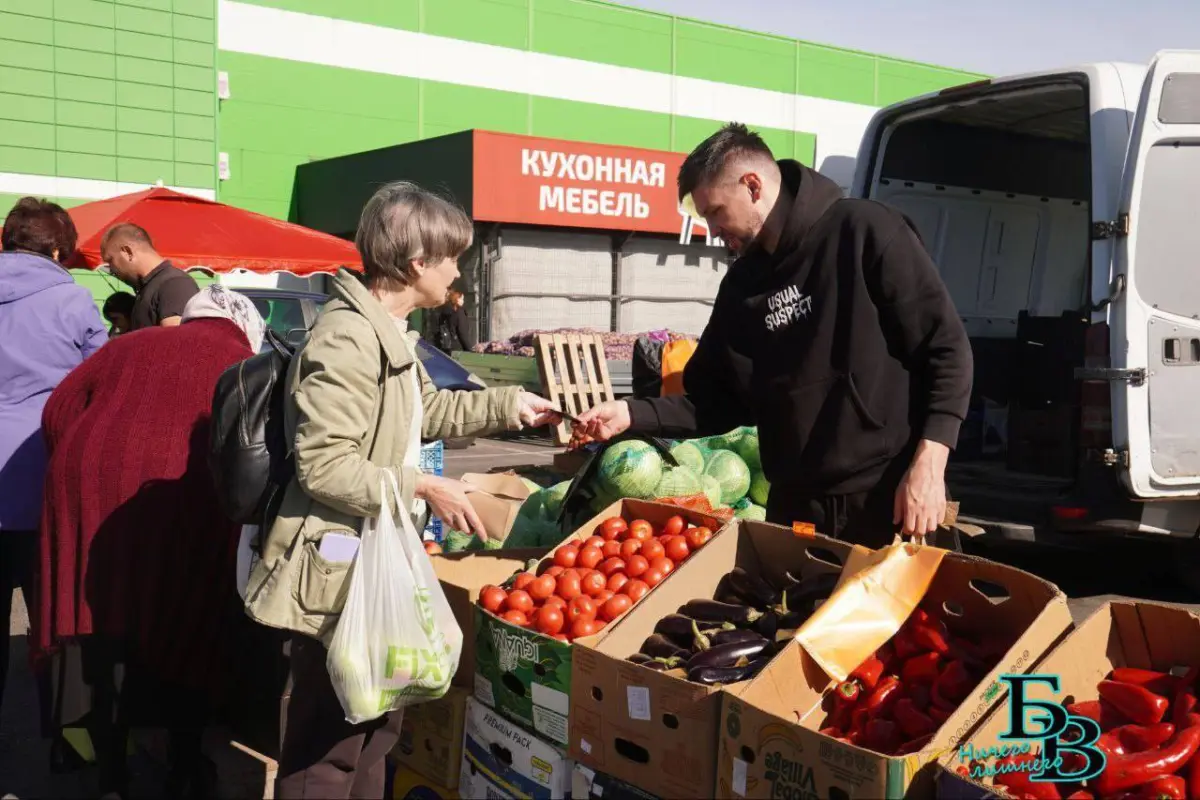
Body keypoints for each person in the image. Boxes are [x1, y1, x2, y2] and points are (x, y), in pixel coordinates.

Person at [243, 181, 560, 798]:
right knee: (327, 746)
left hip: (373, 558)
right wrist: (422, 486)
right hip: (337, 570)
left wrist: (512, 404)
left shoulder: (389, 333)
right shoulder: (347, 338)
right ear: (418, 264)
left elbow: (426, 411)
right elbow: (325, 465)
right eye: (452, 258)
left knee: (376, 732)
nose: (458, 270)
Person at [577, 124, 972, 545]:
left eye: (714, 212)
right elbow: (714, 403)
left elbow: (946, 349)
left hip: (886, 499)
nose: (712, 230)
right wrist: (631, 413)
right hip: (797, 511)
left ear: (752, 185)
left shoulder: (864, 231)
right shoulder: (741, 287)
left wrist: (930, 464)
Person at [36, 286, 266, 798]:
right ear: (245, 329)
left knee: (101, 616)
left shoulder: (128, 343)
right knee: (189, 615)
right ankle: (184, 763)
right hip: (188, 492)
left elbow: (57, 410)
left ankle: (110, 770)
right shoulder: (244, 362)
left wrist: (81, 467)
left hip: (89, 484)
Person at [0, 197, 106, 726]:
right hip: (46, 481)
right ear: (59, 248)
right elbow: (102, 387)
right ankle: (62, 735)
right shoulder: (75, 304)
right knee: (52, 615)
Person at [99, 222, 198, 330]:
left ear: (128, 252)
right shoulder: (150, 287)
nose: (111, 269)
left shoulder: (174, 284)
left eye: (110, 261)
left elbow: (176, 343)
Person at [429, 288, 471, 353]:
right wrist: (469, 349)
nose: (463, 301)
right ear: (457, 299)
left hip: (443, 345)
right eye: (462, 299)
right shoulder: (459, 313)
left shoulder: (443, 311)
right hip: (457, 348)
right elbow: (462, 333)